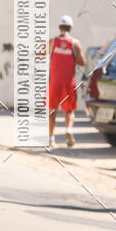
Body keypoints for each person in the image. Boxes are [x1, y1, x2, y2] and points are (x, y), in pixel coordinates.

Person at [48, 14, 85, 147]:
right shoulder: (75, 43)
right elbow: (81, 62)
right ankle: (69, 130)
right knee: (69, 111)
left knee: (52, 111)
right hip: (69, 84)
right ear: (71, 27)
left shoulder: (52, 42)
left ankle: (51, 139)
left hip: (54, 83)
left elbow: (39, 53)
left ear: (59, 27)